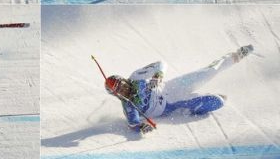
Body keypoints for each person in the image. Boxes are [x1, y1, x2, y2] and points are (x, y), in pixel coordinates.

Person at [104, 45, 254, 134]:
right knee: (219, 101)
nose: (124, 88)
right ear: (117, 95)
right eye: (120, 90)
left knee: (208, 72)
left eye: (122, 84)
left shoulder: (136, 77)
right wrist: (142, 127)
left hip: (172, 86)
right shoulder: (129, 106)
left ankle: (236, 56)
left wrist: (158, 75)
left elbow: (160, 63)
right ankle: (208, 97)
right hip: (172, 105)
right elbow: (133, 124)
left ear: (124, 79)